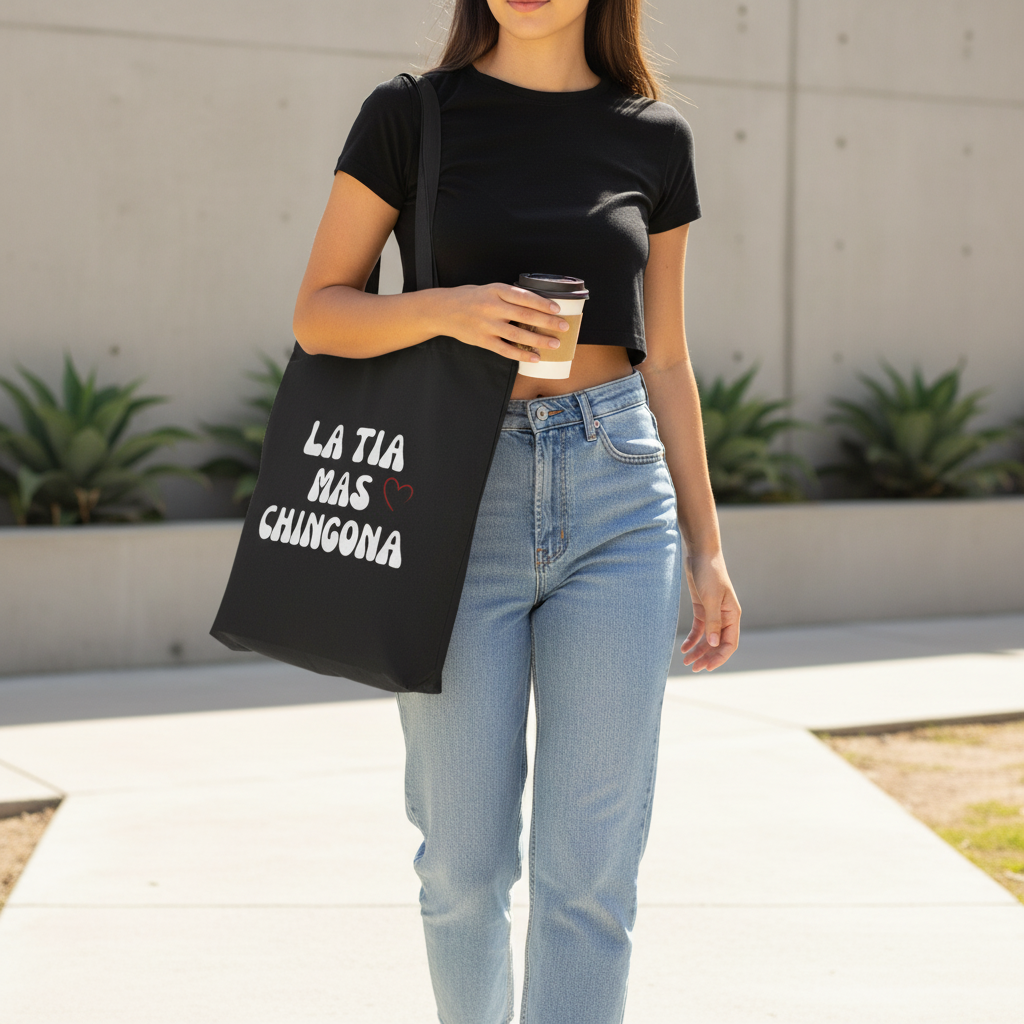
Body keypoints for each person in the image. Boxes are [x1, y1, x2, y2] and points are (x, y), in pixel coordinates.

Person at [292, 1, 741, 1020]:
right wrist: (449, 307)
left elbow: (665, 358)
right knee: (461, 865)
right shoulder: (410, 115)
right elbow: (319, 310)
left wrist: (707, 549)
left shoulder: (653, 136)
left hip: (619, 488)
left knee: (591, 874)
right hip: (457, 490)